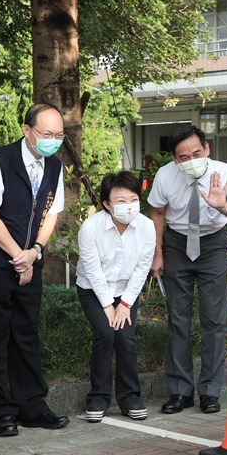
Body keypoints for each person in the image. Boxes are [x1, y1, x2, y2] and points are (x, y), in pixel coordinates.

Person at [0, 102, 70, 437]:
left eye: (58, 134)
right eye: (46, 134)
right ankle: (1, 411)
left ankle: (33, 405)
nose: (53, 140)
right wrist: (18, 256)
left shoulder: (54, 166)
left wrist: (36, 252)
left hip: (31, 260)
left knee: (27, 336)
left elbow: (51, 213)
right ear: (27, 131)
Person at [148, 125, 227, 415]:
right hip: (177, 244)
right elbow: (157, 213)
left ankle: (210, 391)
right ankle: (180, 391)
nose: (191, 159)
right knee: (178, 319)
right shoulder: (165, 176)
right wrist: (157, 254)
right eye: (183, 156)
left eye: (196, 152)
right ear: (174, 158)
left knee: (214, 320)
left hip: (213, 244)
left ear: (206, 149)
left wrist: (223, 207)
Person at [77, 171, 155, 423]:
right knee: (105, 334)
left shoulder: (146, 226)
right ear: (107, 204)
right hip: (92, 288)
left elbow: (143, 268)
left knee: (126, 338)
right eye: (121, 201)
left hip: (126, 290)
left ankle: (130, 397)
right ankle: (98, 397)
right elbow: (93, 270)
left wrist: (124, 304)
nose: (128, 206)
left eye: (133, 199)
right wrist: (108, 306)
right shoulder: (91, 227)